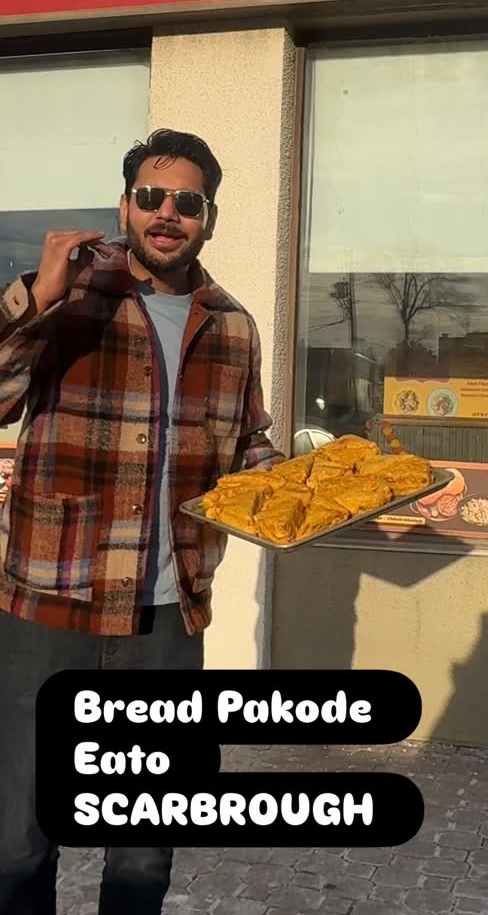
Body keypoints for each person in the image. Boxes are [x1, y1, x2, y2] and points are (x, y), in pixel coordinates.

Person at [0, 128, 283, 915]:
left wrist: (307, 488)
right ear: (125, 205)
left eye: (186, 202)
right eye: (151, 197)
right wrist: (36, 301)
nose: (167, 214)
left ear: (209, 218)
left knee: (146, 838)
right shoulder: (69, 295)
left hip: (167, 617)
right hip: (47, 609)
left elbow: (245, 446)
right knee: (17, 837)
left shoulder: (232, 325)